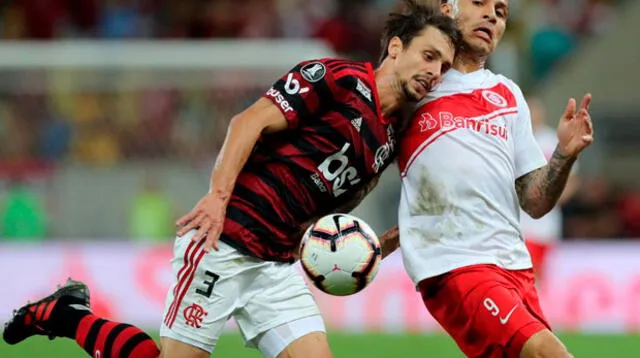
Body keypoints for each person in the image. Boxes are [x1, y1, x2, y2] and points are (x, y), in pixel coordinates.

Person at [2, 2, 461, 358]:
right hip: (224, 241)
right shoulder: (335, 79)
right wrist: (218, 198)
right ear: (396, 48)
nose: (434, 71)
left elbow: (327, 201)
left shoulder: (387, 136)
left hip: (277, 266)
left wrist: (366, 247)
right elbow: (247, 123)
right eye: (429, 55)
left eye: (442, 66)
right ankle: (67, 314)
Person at [393, 0, 593, 357]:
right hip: (455, 263)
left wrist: (564, 153)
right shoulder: (418, 84)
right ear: (447, 7)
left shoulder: (508, 95)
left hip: (514, 265)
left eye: (501, 12)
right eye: (479, 3)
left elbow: (534, 201)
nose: (491, 15)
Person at [520, 97, 580, 285]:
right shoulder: (515, 140)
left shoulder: (552, 139)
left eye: (535, 111)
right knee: (525, 270)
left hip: (547, 222)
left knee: (541, 271)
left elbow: (572, 179)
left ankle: (540, 307)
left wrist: (552, 197)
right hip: (520, 221)